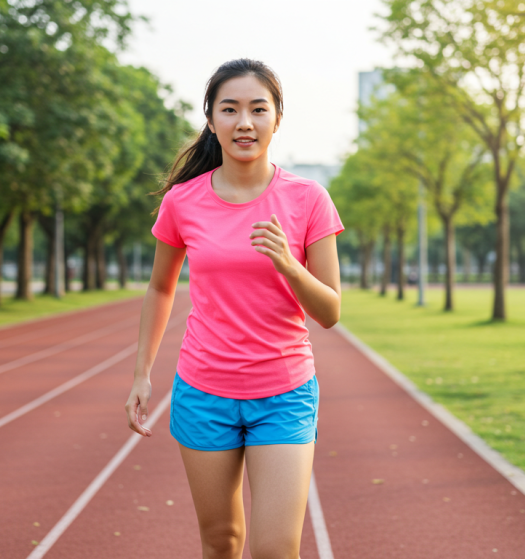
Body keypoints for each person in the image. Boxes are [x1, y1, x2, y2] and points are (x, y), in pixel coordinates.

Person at [125, 59, 343, 559]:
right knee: (221, 541)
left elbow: (329, 311)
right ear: (211, 119)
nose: (244, 122)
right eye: (230, 109)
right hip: (203, 391)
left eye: (257, 109)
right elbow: (160, 288)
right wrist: (141, 374)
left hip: (283, 393)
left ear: (276, 119)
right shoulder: (183, 202)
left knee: (274, 548)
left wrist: (289, 264)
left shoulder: (309, 199)